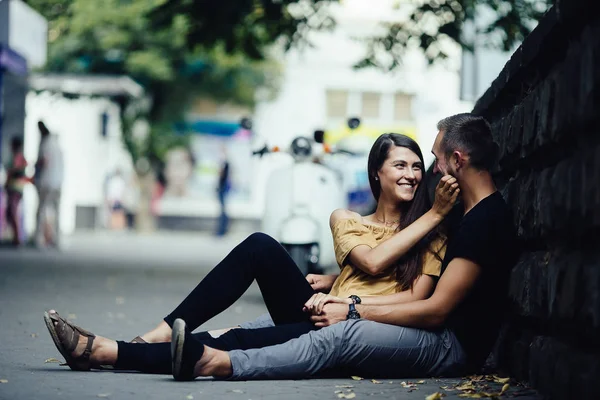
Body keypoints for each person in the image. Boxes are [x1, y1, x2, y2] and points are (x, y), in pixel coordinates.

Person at [43, 133, 459, 375]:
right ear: (376, 173)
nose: (411, 175)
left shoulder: (430, 231)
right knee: (260, 244)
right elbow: (370, 262)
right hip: (317, 311)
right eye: (399, 166)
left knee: (238, 340)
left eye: (416, 167)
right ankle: (157, 333)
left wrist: (349, 303)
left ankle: (103, 350)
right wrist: (338, 285)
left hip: (350, 327)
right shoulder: (347, 218)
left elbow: (416, 298)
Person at [157, 113, 519, 381]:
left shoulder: (482, 222)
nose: (432, 171)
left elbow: (435, 309)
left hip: (448, 348)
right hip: (422, 330)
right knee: (262, 323)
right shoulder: (461, 214)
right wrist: (336, 282)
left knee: (338, 333)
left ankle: (217, 362)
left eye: (435, 159)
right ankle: (136, 349)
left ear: (458, 160)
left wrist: (351, 309)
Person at [34, 121, 64, 248]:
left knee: (41, 211)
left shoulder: (45, 144)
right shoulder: (57, 144)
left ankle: (39, 239)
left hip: (46, 182)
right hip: (57, 182)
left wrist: (36, 168)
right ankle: (56, 239)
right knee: (56, 212)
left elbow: (44, 162)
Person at [4, 137, 28, 246]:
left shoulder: (17, 157)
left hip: (15, 188)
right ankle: (16, 237)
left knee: (13, 212)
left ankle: (17, 238)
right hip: (17, 187)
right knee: (13, 212)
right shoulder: (20, 157)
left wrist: (7, 181)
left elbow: (12, 171)